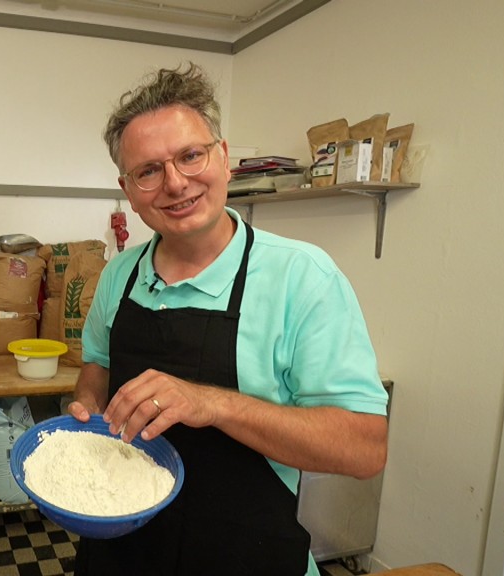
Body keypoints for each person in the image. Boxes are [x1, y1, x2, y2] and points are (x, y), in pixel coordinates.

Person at [66, 62, 389, 576]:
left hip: (248, 557)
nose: (175, 184)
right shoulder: (120, 275)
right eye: (149, 170)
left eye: (190, 156)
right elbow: (97, 369)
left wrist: (210, 403)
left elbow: (364, 448)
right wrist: (85, 406)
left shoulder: (302, 278)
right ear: (128, 189)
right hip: (120, 554)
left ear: (223, 156)